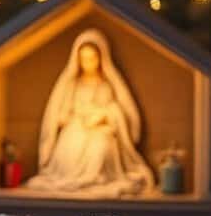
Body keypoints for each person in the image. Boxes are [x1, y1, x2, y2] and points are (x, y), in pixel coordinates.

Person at [25, 28, 154, 196]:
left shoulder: (106, 84)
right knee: (71, 146)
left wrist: (103, 114)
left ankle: (96, 178)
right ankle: (73, 178)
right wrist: (70, 116)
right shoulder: (73, 84)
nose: (88, 63)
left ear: (101, 58)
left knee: (101, 146)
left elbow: (117, 110)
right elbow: (61, 114)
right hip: (76, 127)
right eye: (84, 58)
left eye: (92, 58)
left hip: (100, 129)